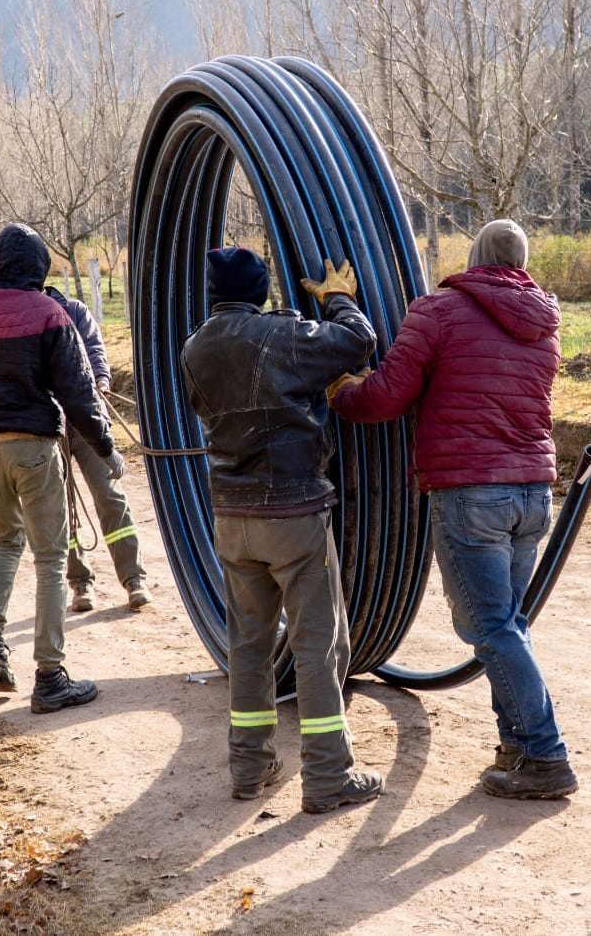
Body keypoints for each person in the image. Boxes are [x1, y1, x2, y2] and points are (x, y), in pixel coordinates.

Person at [330, 218, 577, 801]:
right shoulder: (544, 323)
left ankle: (547, 755)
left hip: (473, 492)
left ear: (473, 257)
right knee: (508, 626)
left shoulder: (439, 310)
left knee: (490, 630)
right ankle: (517, 747)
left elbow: (387, 396)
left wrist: (342, 393)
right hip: (532, 492)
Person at [180, 246, 386, 815]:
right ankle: (327, 777)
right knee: (318, 644)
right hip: (292, 515)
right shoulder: (281, 336)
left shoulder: (194, 348)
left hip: (232, 519)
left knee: (249, 645)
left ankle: (250, 768)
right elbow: (358, 341)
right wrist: (338, 298)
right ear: (261, 290)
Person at [0, 222, 122, 715]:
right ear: (38, 266)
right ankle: (51, 676)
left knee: (5, 542)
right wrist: (106, 448)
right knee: (51, 558)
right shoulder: (48, 313)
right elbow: (79, 394)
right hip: (33, 448)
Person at [44, 282, 153, 612]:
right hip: (49, 427)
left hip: (88, 421)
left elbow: (94, 349)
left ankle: (134, 579)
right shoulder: (26, 316)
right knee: (61, 507)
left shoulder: (75, 311)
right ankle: (80, 584)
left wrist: (101, 382)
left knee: (110, 496)